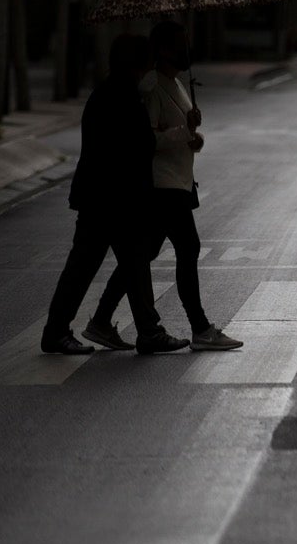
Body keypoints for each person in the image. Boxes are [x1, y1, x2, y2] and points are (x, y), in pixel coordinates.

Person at [88, 20, 242, 351]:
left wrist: (192, 137)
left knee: (141, 255)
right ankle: (200, 328)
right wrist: (181, 132)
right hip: (162, 184)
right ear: (161, 49)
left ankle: (101, 320)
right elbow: (148, 140)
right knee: (188, 247)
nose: (186, 51)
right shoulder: (152, 87)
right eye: (179, 45)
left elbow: (176, 134)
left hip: (179, 181)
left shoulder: (177, 84)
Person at [41, 35, 190, 355]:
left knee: (127, 264)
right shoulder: (122, 97)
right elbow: (138, 146)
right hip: (114, 200)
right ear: (137, 63)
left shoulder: (108, 92)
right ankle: (60, 332)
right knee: (92, 266)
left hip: (104, 197)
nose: (152, 65)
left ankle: (146, 330)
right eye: (148, 59)